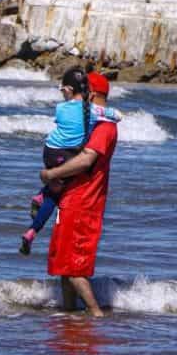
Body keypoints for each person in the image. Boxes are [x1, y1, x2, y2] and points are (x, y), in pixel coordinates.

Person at [40, 69, 120, 317]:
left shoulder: (104, 128)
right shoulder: (92, 122)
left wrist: (51, 175)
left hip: (82, 203)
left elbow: (86, 160)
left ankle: (95, 313)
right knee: (63, 261)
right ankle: (68, 313)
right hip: (70, 201)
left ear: (91, 93)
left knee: (74, 267)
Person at [21, 69, 122, 254]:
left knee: (53, 189)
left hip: (49, 150)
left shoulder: (61, 108)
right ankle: (35, 223)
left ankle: (35, 218)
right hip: (66, 158)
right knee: (55, 193)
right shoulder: (95, 114)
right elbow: (85, 160)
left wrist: (50, 174)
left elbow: (64, 123)